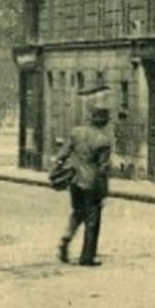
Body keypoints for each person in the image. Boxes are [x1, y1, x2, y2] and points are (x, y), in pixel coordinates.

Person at [57, 86, 113, 266]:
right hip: (92, 184)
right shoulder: (104, 141)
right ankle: (87, 256)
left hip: (74, 182)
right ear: (103, 121)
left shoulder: (76, 132)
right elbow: (103, 169)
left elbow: (61, 155)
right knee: (92, 220)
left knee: (77, 212)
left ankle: (67, 237)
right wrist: (104, 192)